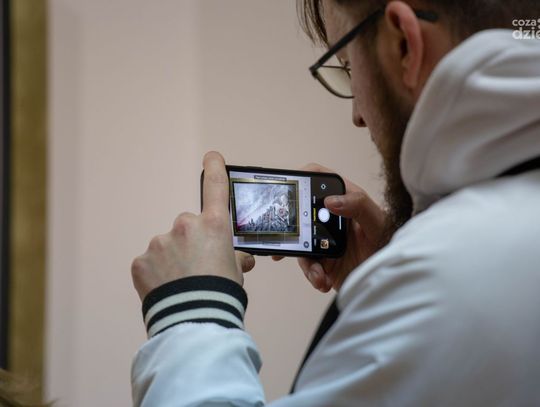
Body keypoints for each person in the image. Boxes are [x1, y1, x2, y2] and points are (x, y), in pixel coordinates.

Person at [130, 0, 540, 405]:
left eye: (347, 66)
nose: (357, 115)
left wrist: (191, 312)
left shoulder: (441, 282)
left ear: (404, 43)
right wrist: (388, 280)